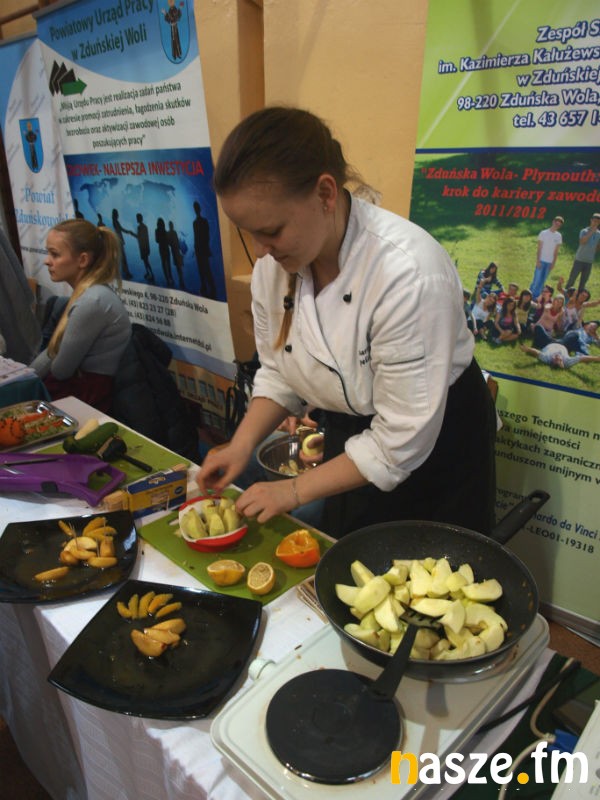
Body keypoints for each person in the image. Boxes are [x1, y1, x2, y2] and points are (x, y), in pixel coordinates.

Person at [197, 106, 497, 538]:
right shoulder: (274, 269)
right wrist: (240, 446)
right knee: (347, 551)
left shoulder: (408, 273)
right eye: (249, 234)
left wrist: (292, 491)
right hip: (351, 440)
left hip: (434, 449)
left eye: (272, 230)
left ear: (325, 193)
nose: (261, 251)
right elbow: (280, 371)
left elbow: (398, 441)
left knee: (426, 570)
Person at [30, 219, 131, 412]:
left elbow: (61, 370)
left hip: (88, 398)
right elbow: (54, 351)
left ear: (83, 260)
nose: (47, 261)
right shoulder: (89, 295)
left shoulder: (92, 301)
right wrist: (25, 376)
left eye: (55, 254)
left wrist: (27, 379)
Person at [529, 216, 563, 300]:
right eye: (556, 223)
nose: (557, 226)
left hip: (549, 262)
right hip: (541, 260)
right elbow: (539, 248)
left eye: (559, 225)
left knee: (542, 281)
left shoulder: (558, 236)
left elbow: (556, 251)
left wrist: (553, 263)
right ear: (553, 222)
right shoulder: (543, 233)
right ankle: (530, 296)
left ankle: (536, 298)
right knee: (537, 280)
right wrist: (538, 261)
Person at [565, 212, 600, 293]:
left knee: (583, 283)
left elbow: (597, 248)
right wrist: (592, 231)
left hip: (589, 262)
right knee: (572, 280)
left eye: (598, 222)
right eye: (594, 221)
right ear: (591, 220)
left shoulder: (599, 234)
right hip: (579, 260)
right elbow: (582, 242)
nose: (595, 223)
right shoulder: (584, 231)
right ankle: (565, 296)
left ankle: (578, 298)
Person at [192, 201, 217, 299]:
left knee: (204, 269)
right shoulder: (201, 222)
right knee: (204, 269)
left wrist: (199, 248)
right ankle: (207, 287)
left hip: (200, 249)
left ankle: (208, 287)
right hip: (201, 249)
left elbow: (201, 237)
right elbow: (206, 236)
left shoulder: (197, 223)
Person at [520, 341, 600, 370]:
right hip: (564, 344)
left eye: (556, 359)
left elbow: (536, 352)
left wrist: (527, 349)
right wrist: (597, 359)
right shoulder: (567, 362)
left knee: (539, 329)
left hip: (550, 342)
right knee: (574, 335)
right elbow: (582, 358)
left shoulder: (546, 358)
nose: (558, 357)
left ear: (552, 361)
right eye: (560, 360)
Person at [131, 213, 154, 282]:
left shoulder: (139, 227)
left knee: (146, 261)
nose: (136, 219)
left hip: (142, 247)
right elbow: (147, 238)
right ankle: (148, 273)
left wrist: (132, 234)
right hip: (145, 246)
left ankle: (151, 274)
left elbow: (138, 237)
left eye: (137, 218)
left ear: (139, 219)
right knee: (145, 261)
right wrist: (148, 247)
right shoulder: (145, 227)